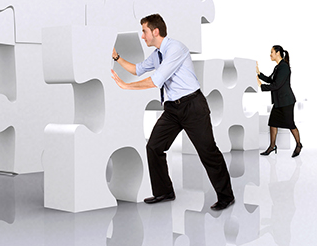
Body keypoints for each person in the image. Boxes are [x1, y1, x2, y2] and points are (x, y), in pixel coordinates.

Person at [110, 14, 235, 211]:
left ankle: (226, 196)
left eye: (144, 31)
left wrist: (126, 86)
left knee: (208, 151)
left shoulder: (175, 49)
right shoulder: (157, 54)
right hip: (172, 109)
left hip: (192, 105)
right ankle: (164, 191)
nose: (142, 36)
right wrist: (116, 57)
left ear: (155, 31)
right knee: (154, 146)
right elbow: (137, 69)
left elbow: (155, 81)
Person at [256, 45, 302, 157]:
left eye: (272, 52)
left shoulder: (284, 67)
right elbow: (271, 80)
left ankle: (299, 145)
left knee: (290, 124)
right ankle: (272, 146)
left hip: (286, 101)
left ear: (278, 53)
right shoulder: (278, 67)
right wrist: (258, 73)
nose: (270, 54)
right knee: (272, 123)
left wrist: (261, 86)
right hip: (278, 101)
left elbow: (276, 85)